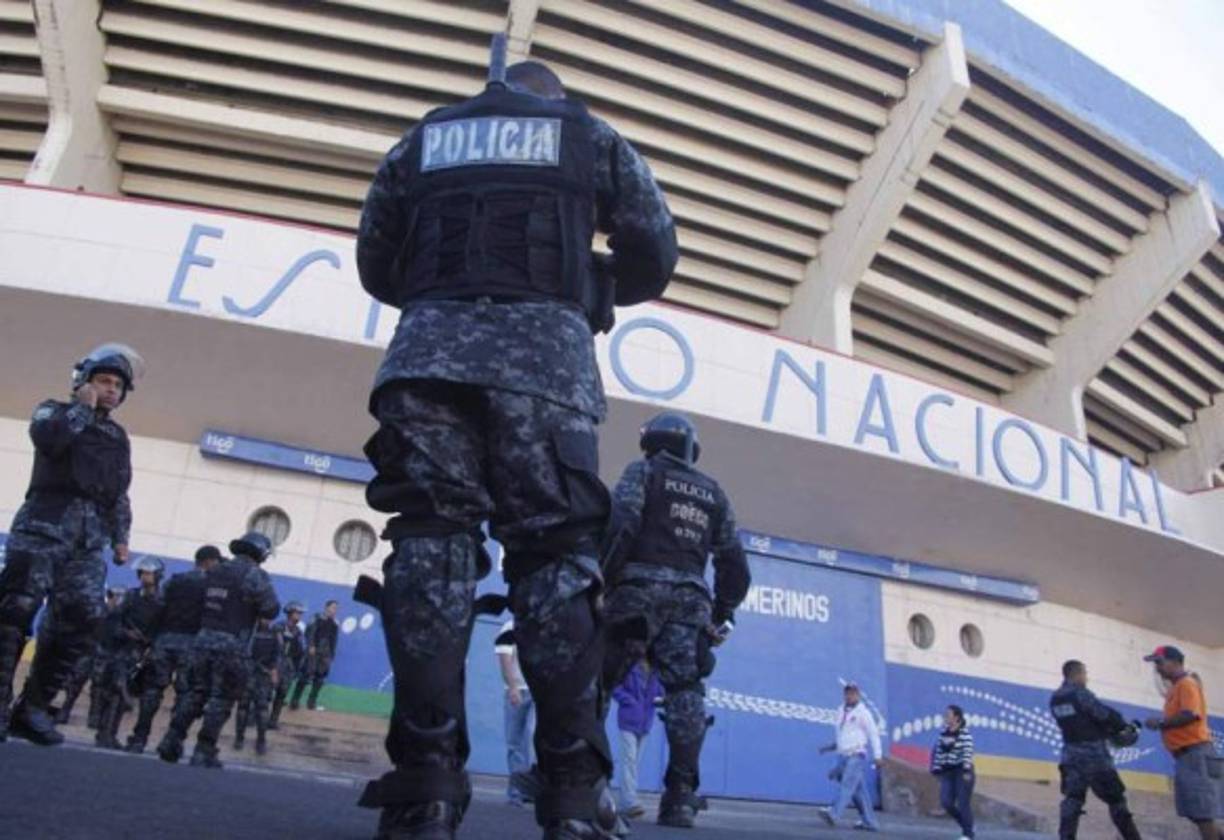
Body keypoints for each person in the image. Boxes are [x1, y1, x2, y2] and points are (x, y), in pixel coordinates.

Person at [353, 34, 677, 840]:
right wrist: (594, 288)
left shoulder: (423, 138)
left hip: (427, 359)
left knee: (428, 548)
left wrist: (443, 304)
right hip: (545, 367)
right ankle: (571, 801)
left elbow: (375, 260)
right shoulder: (586, 134)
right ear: (552, 96)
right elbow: (655, 246)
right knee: (555, 560)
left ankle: (426, 791)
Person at [602, 413, 750, 828]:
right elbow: (734, 563)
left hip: (636, 593)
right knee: (686, 692)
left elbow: (620, 525)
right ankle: (681, 798)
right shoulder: (714, 493)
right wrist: (722, 613)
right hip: (690, 603)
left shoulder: (643, 472)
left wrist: (602, 580)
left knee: (600, 680)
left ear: (651, 442)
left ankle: (582, 782)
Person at [0, 343, 143, 745]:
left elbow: (119, 492)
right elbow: (50, 441)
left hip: (88, 541)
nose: (111, 389)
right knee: (15, 610)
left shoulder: (117, 437)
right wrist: (81, 407)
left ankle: (33, 708)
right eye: (104, 381)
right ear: (83, 381)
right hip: (43, 526)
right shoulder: (54, 411)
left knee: (83, 617)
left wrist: (121, 537)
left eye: (117, 385)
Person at [156, 531, 279, 768]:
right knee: (221, 700)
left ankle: (171, 740)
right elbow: (271, 609)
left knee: (194, 694)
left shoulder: (214, 571)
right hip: (232, 647)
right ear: (261, 554)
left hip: (201, 642)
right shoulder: (254, 575)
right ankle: (204, 750)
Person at [126, 544, 220, 753]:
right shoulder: (210, 585)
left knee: (152, 691)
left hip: (165, 640)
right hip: (191, 645)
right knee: (185, 694)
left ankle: (139, 739)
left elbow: (158, 606)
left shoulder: (175, 580)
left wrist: (151, 639)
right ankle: (170, 741)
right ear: (209, 562)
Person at [1049, 660, 1142, 840]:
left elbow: (1074, 721)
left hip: (1070, 757)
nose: (1086, 678)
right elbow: (1104, 715)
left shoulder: (1055, 699)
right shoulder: (1080, 694)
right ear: (1077, 674)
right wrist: (1122, 726)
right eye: (1084, 674)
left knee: (1072, 799)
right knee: (1116, 799)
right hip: (1095, 758)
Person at [1143, 646, 1220, 840]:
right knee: (1196, 813)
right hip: (1187, 756)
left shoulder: (1187, 684)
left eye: (1160, 662)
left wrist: (1161, 723)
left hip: (1195, 754)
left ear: (1175, 662)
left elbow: (1190, 714)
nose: (1157, 668)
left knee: (1202, 814)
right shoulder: (1176, 688)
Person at [95, 556, 163, 749]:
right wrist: (126, 633)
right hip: (122, 650)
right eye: (142, 573)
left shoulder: (162, 602)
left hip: (144, 654)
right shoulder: (131, 596)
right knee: (116, 691)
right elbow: (112, 621)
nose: (144, 577)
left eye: (148, 573)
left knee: (131, 694)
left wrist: (151, 643)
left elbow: (163, 628)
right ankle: (106, 734)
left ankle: (110, 733)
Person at [817, 683, 883, 832]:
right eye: (847, 693)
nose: (849, 696)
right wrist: (829, 748)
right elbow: (843, 735)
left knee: (847, 784)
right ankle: (870, 822)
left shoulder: (864, 713)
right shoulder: (841, 710)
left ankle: (834, 814)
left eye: (853, 693)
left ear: (858, 695)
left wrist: (878, 755)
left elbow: (873, 734)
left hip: (857, 754)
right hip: (843, 755)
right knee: (858, 791)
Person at [56, 585, 123, 726]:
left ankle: (94, 717)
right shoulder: (99, 611)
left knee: (98, 687)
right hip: (89, 651)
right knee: (75, 683)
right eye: (116, 596)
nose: (119, 600)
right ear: (111, 596)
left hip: (107, 654)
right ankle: (65, 710)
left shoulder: (121, 617)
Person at [612, 659, 663, 819]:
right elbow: (615, 687)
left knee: (634, 763)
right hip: (628, 720)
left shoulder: (656, 671)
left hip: (645, 723)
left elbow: (660, 691)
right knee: (629, 761)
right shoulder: (628, 666)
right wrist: (629, 701)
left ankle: (624, 802)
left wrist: (660, 697)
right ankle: (630, 801)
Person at [496, 618, 535, 807]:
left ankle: (529, 790)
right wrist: (512, 687)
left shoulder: (539, 626)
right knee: (515, 743)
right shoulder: (509, 628)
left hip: (537, 691)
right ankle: (517, 792)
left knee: (531, 739)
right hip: (517, 691)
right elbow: (505, 660)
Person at [234, 616, 279, 755]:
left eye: (269, 618)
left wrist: (273, 672)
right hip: (248, 674)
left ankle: (261, 741)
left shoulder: (272, 635)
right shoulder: (249, 632)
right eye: (264, 618)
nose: (267, 621)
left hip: (262, 675)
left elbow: (276, 656)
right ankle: (239, 738)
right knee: (243, 707)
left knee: (262, 709)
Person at [930, 704, 975, 840]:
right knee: (946, 802)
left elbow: (967, 753)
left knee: (963, 802)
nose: (945, 717)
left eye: (948, 715)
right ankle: (967, 825)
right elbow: (938, 752)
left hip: (961, 771)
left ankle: (967, 834)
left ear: (956, 718)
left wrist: (966, 771)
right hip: (948, 772)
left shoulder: (965, 734)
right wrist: (936, 769)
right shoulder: (943, 733)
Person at [291, 599, 339, 711]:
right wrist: (311, 645)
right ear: (326, 607)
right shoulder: (316, 618)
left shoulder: (335, 624)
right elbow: (309, 632)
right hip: (313, 652)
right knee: (305, 675)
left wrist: (331, 654)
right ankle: (294, 701)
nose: (335, 610)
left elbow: (334, 640)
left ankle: (311, 703)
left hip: (325, 655)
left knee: (320, 679)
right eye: (333, 607)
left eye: (336, 609)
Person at [268, 601, 306, 729]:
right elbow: (276, 646)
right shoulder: (278, 627)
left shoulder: (298, 631)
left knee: (281, 695)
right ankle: (255, 718)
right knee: (266, 694)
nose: (299, 615)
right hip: (275, 664)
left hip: (288, 667)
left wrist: (296, 668)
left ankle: (273, 721)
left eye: (300, 613)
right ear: (290, 613)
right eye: (297, 613)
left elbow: (300, 651)